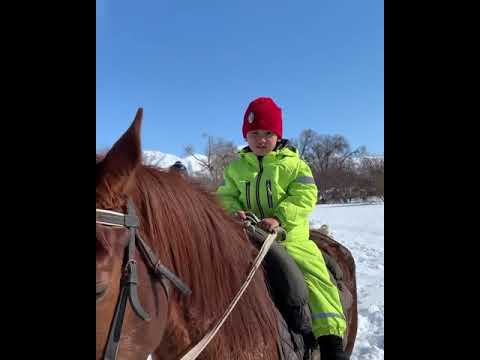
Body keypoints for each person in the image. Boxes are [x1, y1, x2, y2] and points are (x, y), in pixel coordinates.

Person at [217, 97, 348, 360]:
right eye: (254, 133)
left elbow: (305, 194)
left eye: (268, 133)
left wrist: (279, 218)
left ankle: (331, 341)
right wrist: (233, 211)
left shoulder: (295, 165)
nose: (261, 139)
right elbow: (225, 194)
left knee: (313, 276)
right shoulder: (236, 167)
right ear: (246, 135)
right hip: (247, 236)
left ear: (278, 135)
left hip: (289, 237)